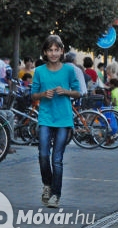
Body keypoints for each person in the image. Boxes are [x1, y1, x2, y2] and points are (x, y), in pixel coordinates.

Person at [31, 35, 82, 208]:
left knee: (57, 158)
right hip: (45, 117)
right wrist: (43, 94)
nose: (53, 53)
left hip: (64, 119)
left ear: (62, 51)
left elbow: (78, 92)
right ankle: (47, 184)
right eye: (50, 50)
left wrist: (66, 91)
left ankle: (55, 194)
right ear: (45, 52)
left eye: (56, 50)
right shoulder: (39, 71)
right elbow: (33, 94)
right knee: (43, 154)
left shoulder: (69, 70)